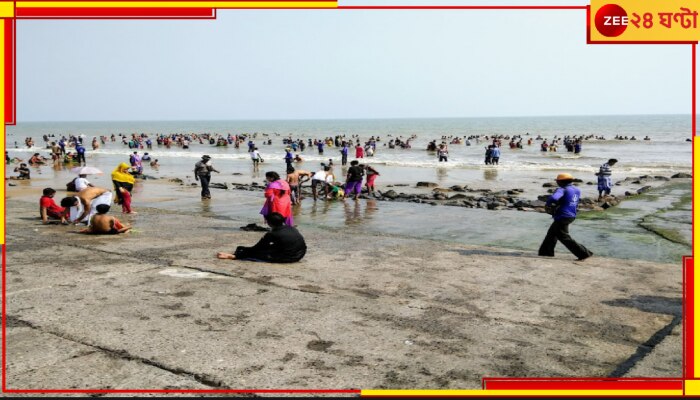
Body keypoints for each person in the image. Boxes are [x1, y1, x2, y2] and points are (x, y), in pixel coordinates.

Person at [538, 173, 593, 261]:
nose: (557, 183)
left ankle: (583, 253)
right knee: (552, 233)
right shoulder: (577, 190)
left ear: (560, 182)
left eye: (558, 181)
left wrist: (548, 204)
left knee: (563, 237)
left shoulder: (562, 189)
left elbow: (554, 198)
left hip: (562, 216)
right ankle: (546, 252)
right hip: (571, 215)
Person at [216, 212, 306, 263]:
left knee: (257, 253)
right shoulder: (291, 228)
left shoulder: (272, 234)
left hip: (288, 258)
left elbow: (257, 248)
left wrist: (240, 253)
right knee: (268, 248)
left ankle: (233, 256)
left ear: (269, 223)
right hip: (300, 254)